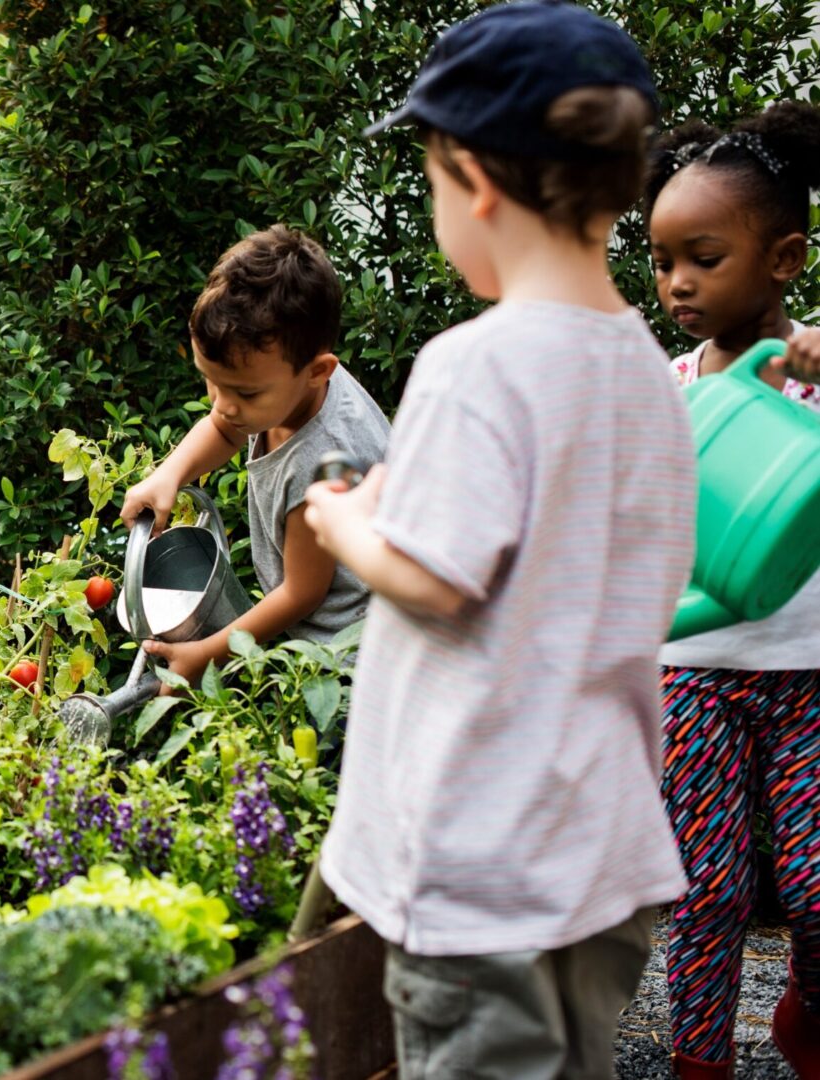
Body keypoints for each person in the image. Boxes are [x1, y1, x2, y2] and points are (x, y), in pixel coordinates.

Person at [301, 3, 698, 1075]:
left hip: (483, 869)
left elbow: (437, 579)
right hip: (597, 853)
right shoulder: (649, 377)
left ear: (472, 179)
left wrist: (348, 523)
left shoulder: (476, 365)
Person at [646, 101, 820, 1079]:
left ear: (784, 258)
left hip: (808, 679)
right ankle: (699, 1063)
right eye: (664, 259)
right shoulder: (669, 386)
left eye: (701, 258)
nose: (675, 283)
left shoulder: (813, 370)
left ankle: (807, 1015)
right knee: (706, 892)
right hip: (698, 676)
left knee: (817, 885)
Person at [118, 225, 390, 685]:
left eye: (242, 392)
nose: (223, 405)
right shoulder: (281, 391)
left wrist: (207, 654)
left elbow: (302, 593)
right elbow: (222, 427)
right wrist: (170, 474)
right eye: (212, 381)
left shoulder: (323, 465)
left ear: (317, 370)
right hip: (316, 628)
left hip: (350, 659)